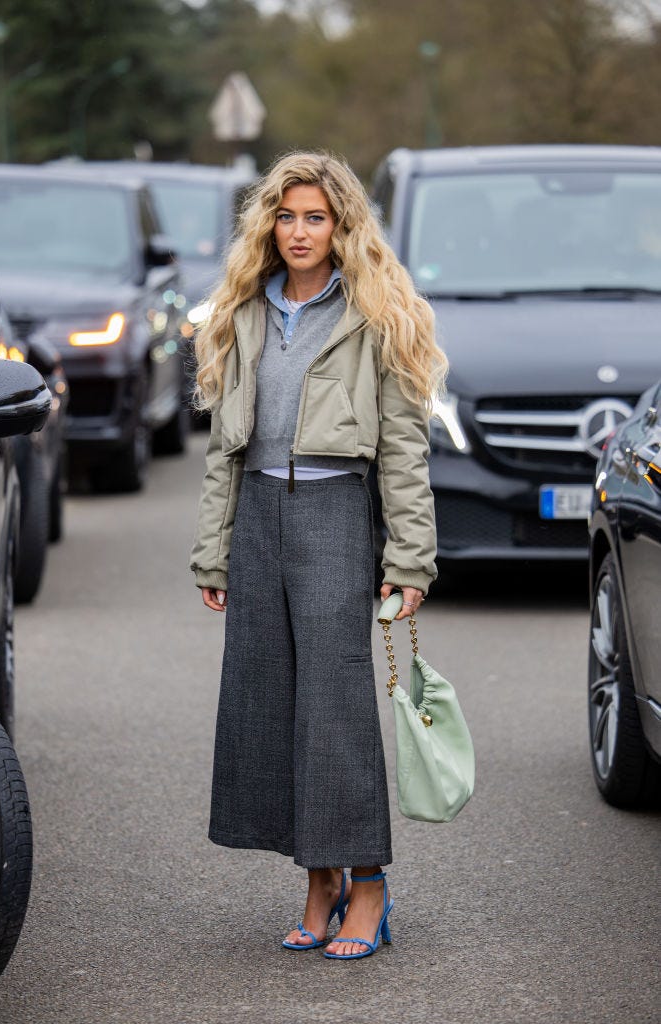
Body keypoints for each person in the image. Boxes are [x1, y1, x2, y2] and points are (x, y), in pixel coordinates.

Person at [189, 151, 447, 960]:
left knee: (334, 707)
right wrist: (214, 551)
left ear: (341, 229)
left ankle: (366, 883)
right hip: (258, 512)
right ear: (269, 223)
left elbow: (404, 447)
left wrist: (409, 559)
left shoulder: (375, 311)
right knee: (266, 703)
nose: (299, 232)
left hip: (337, 510)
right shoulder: (242, 309)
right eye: (287, 216)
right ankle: (317, 877)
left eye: (316, 218)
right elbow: (221, 447)